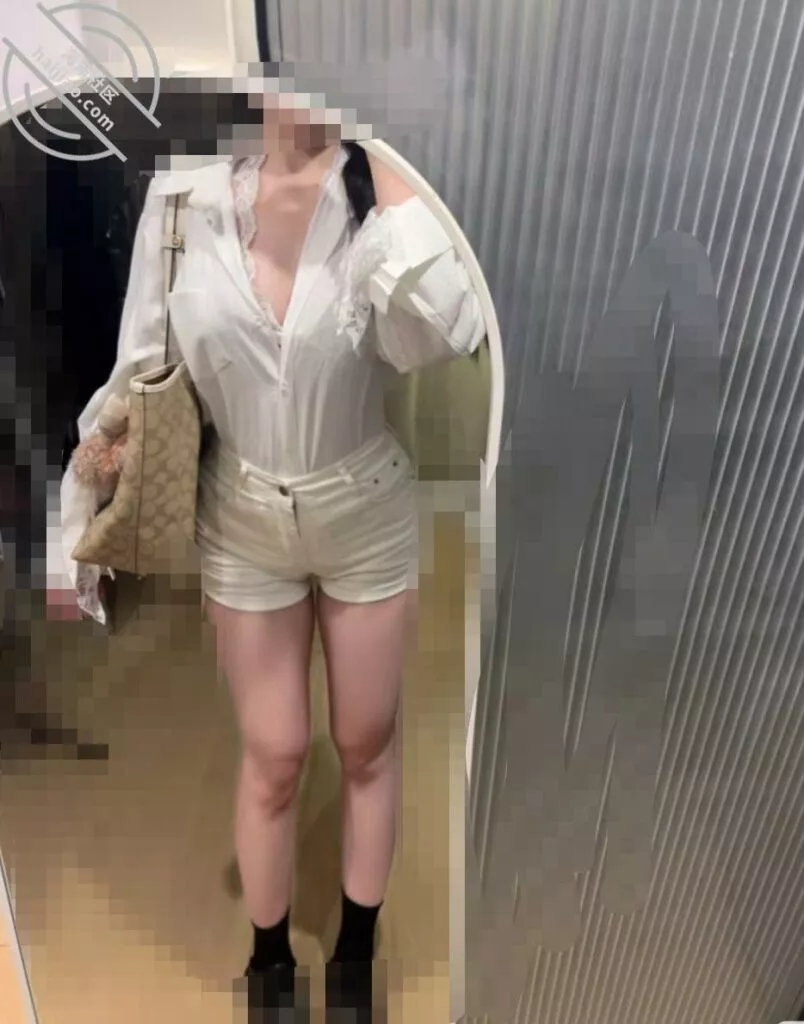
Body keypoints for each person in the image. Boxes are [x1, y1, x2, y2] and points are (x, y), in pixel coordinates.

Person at [60, 91, 486, 1015]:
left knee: (366, 743)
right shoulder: (182, 197)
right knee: (276, 751)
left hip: (364, 508)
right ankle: (268, 963)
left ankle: (356, 952)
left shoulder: (377, 196)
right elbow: (141, 360)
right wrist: (90, 489)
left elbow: (442, 330)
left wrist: (387, 153)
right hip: (242, 516)